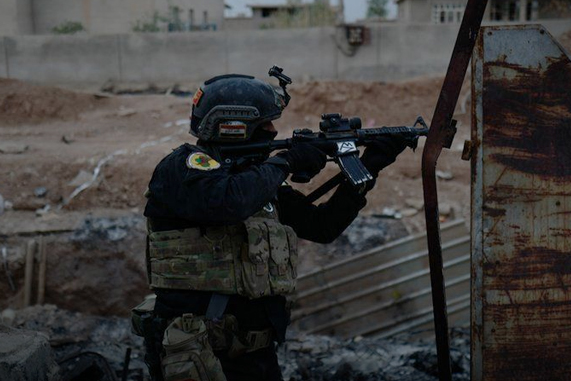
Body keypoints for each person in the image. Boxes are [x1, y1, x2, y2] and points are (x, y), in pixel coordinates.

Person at [134, 72, 408, 381]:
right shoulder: (185, 168)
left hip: (253, 354)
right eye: (265, 124)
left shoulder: (255, 176)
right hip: (197, 352)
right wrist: (286, 162)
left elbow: (322, 226)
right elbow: (228, 202)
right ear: (234, 126)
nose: (273, 130)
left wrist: (369, 167)